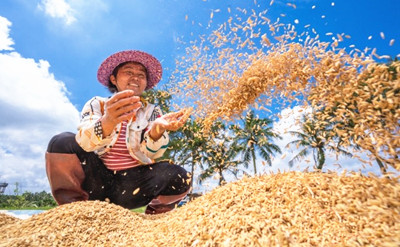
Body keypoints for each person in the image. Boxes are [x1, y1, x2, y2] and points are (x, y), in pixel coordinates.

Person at [45, 50, 191, 214]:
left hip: (133, 186)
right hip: (96, 183)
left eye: (141, 75)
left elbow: (155, 154)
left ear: (145, 82)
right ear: (113, 79)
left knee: (178, 175)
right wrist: (109, 120)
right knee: (62, 141)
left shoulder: (152, 112)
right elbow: (84, 142)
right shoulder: (97, 104)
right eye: (128, 72)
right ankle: (73, 211)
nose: (135, 77)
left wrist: (157, 129)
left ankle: (157, 213)